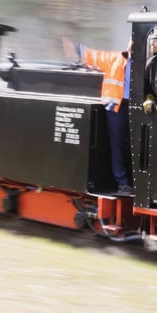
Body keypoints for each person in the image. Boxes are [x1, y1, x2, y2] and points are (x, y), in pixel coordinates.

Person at [64, 36, 134, 195]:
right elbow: (92, 55)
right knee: (118, 145)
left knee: (131, 145)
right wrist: (73, 47)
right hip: (116, 106)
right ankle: (122, 182)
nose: (133, 46)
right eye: (132, 42)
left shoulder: (147, 64)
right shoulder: (113, 58)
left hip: (136, 107)